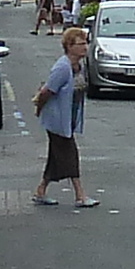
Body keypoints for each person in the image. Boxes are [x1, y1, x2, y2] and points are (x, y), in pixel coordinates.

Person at [32, 24, 98, 208]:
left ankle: (40, 191)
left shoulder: (79, 66)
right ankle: (80, 195)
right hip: (57, 120)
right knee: (70, 156)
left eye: (86, 43)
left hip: (67, 119)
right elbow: (47, 91)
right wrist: (39, 108)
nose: (85, 47)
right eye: (80, 43)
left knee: (56, 157)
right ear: (69, 46)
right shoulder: (63, 67)